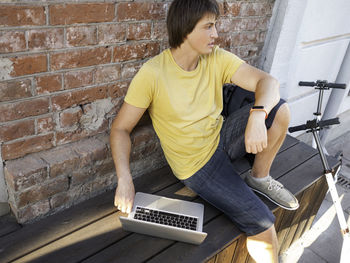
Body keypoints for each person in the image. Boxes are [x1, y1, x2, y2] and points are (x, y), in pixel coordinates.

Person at [110, 0, 299, 262]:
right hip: (198, 166)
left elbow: (268, 82)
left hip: (221, 136)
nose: (216, 34)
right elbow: (120, 129)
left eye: (215, 25)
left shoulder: (217, 58)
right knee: (264, 224)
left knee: (279, 107)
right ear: (186, 29)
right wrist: (125, 179)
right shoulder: (152, 74)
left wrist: (258, 115)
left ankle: (259, 177)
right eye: (208, 26)